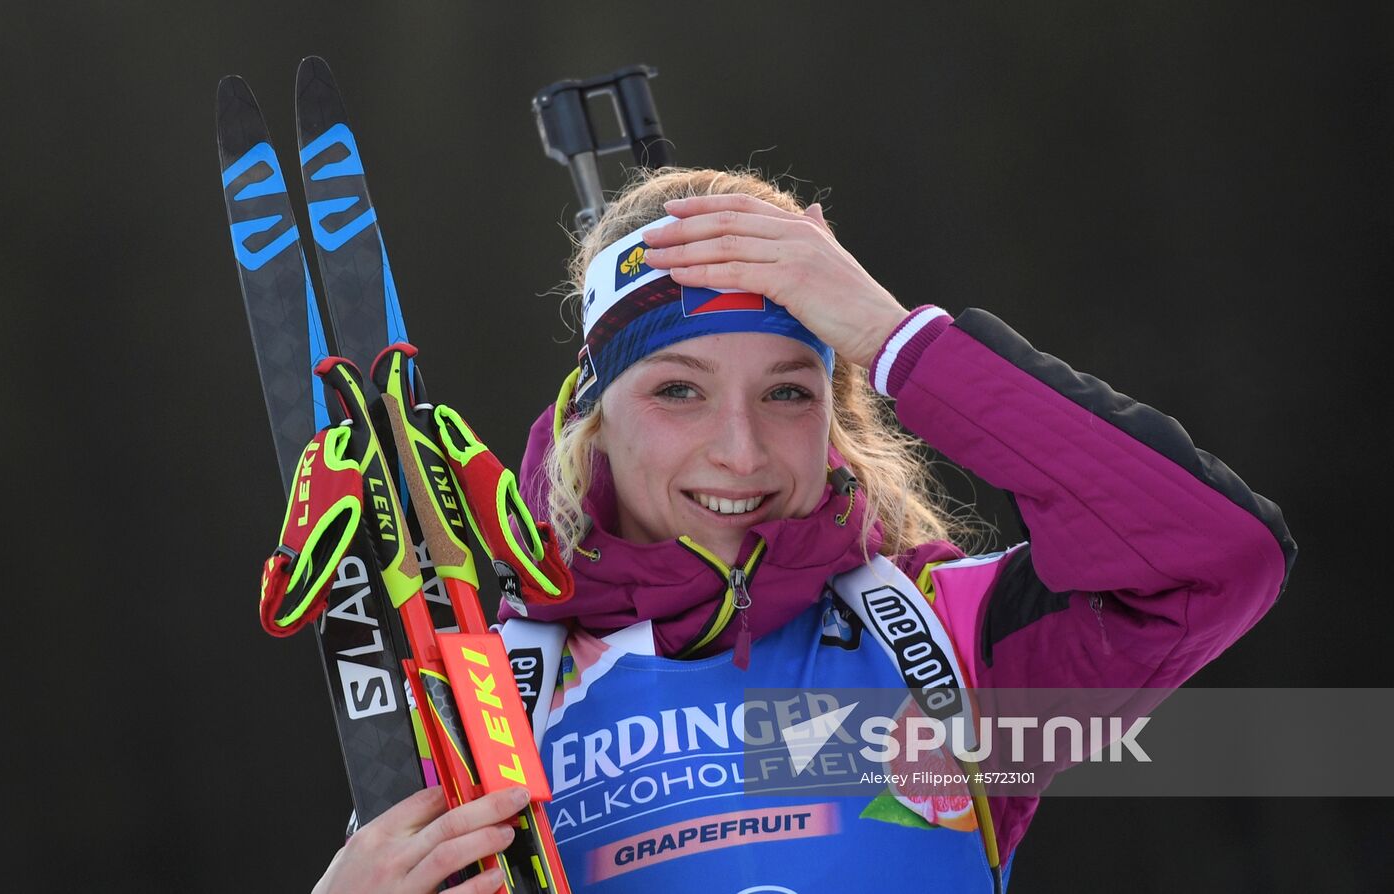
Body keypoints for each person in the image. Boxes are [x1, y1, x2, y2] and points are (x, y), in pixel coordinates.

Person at [313, 168, 1295, 893]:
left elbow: (1210, 562)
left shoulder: (947, 651)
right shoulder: (489, 706)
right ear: (592, 419)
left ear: (835, 414)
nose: (739, 452)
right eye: (677, 391)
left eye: (787, 392)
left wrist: (895, 337)